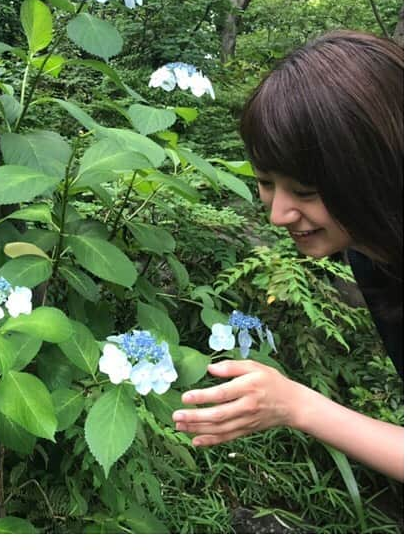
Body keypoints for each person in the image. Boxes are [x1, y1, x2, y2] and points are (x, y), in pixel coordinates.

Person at [172, 30, 404, 481]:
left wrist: (297, 405)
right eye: (265, 181)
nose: (278, 214)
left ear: (378, 169)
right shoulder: (369, 251)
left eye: (305, 191)